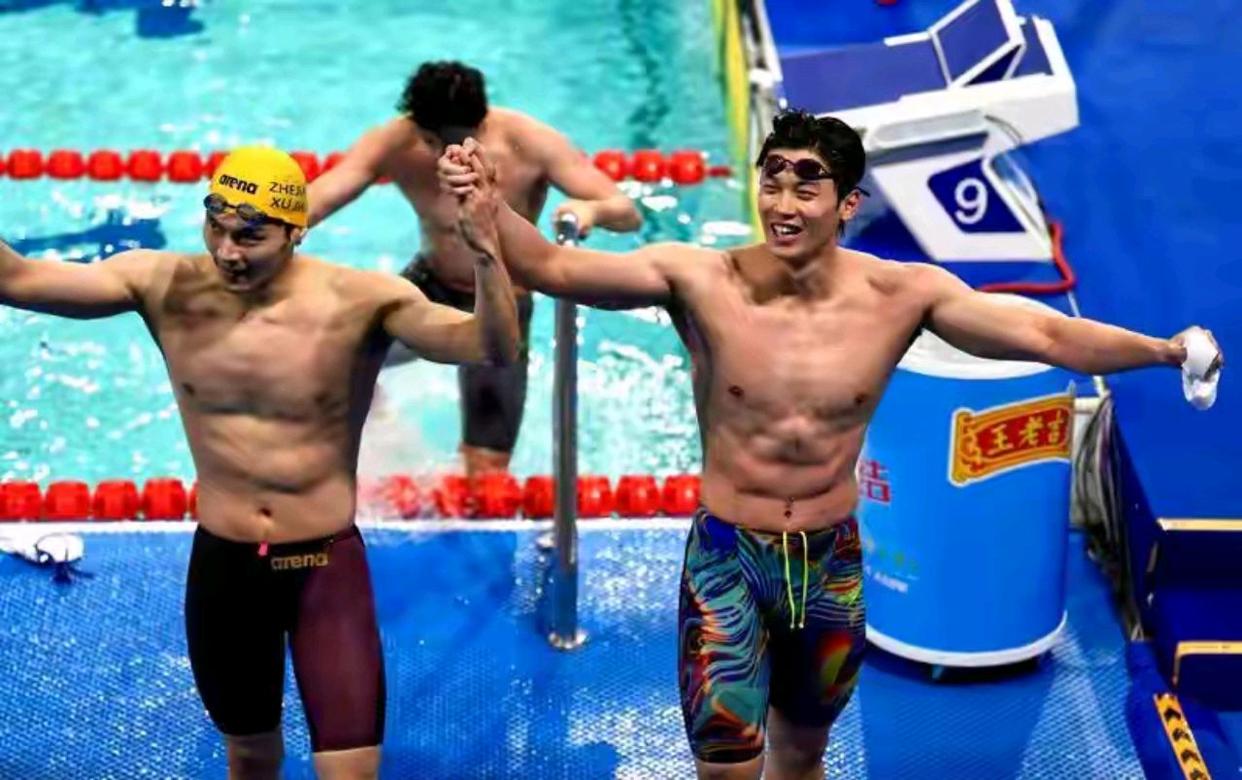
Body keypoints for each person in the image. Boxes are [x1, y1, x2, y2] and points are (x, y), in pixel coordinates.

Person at [438, 112, 1224, 780]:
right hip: (727, 561)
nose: (782, 204)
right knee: (725, 765)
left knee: (804, 756)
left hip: (829, 564)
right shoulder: (699, 280)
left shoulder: (900, 296)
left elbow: (1047, 335)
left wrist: (1164, 350)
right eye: (771, 181)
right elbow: (551, 265)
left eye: (805, 186)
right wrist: (489, 206)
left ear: (847, 203)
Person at [0, 146, 519, 780]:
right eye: (216, 228)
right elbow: (16, 280)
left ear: (296, 231)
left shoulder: (363, 301)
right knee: (250, 758)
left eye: (250, 236)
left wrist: (485, 249)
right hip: (226, 566)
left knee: (351, 772)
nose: (227, 251)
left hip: (323, 566)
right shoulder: (160, 285)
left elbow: (490, 348)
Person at [308, 60, 642, 478]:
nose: (445, 155)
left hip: (502, 306)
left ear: (482, 124)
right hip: (429, 288)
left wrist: (590, 210)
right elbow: (328, 191)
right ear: (419, 129)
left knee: (486, 473)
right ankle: (377, 415)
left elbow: (626, 212)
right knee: (327, 367)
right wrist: (278, 223)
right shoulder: (397, 141)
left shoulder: (531, 144)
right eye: (432, 143)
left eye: (457, 142)